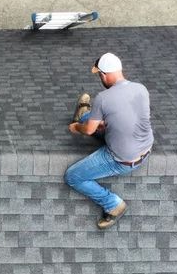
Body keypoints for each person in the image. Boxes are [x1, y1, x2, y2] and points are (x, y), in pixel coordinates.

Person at [64, 52, 154, 229]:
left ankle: (112, 204)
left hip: (122, 159)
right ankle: (84, 115)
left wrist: (77, 128)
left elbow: (89, 131)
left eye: (99, 75)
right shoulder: (140, 88)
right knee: (99, 120)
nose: (100, 79)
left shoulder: (104, 98)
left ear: (104, 75)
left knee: (73, 176)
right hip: (146, 148)